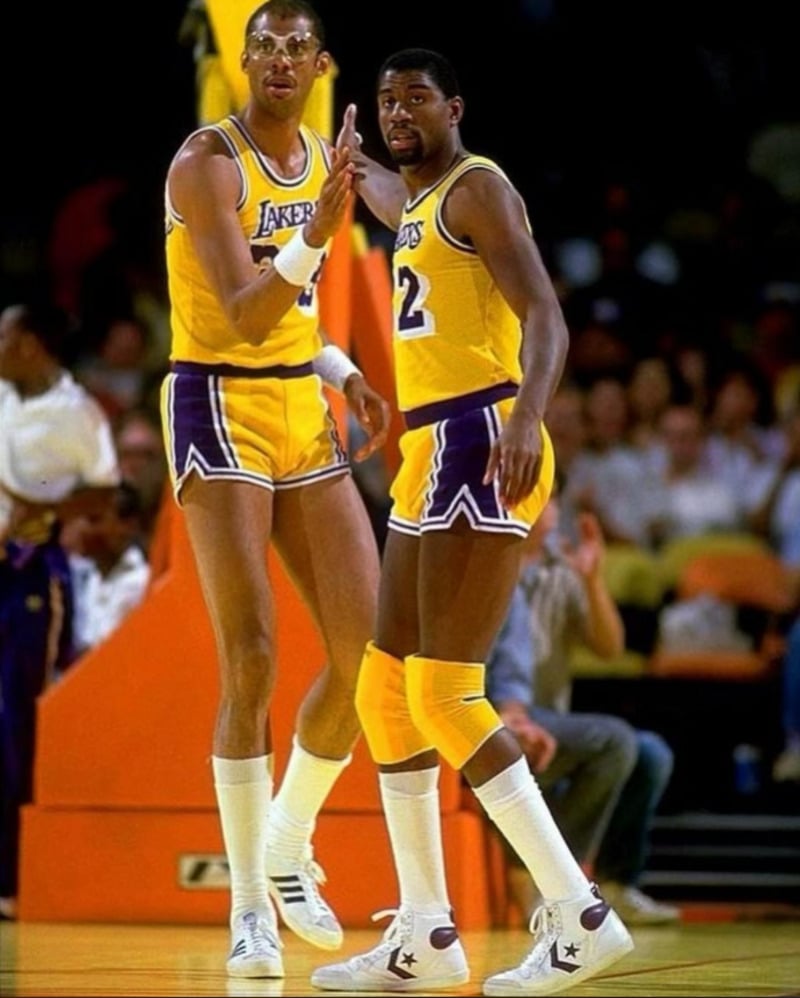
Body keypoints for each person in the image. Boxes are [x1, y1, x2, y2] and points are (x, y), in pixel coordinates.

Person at [312, 49, 633, 996]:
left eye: (416, 98)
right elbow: (374, 188)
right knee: (384, 693)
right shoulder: (415, 202)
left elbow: (546, 313)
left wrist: (530, 413)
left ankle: (581, 912)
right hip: (431, 448)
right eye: (385, 102)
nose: (397, 112)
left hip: (486, 432)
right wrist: (336, 159)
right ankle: (426, 933)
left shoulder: (478, 186)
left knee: (446, 695)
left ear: (454, 107)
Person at [159, 0, 390, 979]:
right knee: (249, 657)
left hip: (301, 399)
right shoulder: (205, 161)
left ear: (321, 64)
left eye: (299, 45)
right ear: (242, 60)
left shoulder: (314, 166)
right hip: (216, 399)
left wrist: (343, 374)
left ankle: (289, 837)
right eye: (265, 44)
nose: (282, 58)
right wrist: (322, 231)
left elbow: (291, 319)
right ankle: (247, 906)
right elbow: (248, 315)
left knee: (368, 656)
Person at [487, 492, 680, 927]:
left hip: (550, 717)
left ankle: (614, 884)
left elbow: (611, 647)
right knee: (616, 740)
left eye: (551, 501)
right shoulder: (489, 556)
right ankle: (558, 884)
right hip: (496, 714)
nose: (545, 511)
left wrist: (592, 583)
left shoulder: (563, 567)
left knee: (650, 753)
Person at [0, 301, 121, 920]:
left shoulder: (76, 413)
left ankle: (16, 873)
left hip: (30, 572)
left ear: (30, 345)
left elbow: (105, 490)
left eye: (4, 336)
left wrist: (47, 513)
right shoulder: (3, 396)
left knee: (17, 717)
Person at [66, 480, 152, 660]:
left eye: (93, 520)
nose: (82, 528)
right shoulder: (84, 579)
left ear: (128, 525)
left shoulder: (142, 584)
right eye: (78, 518)